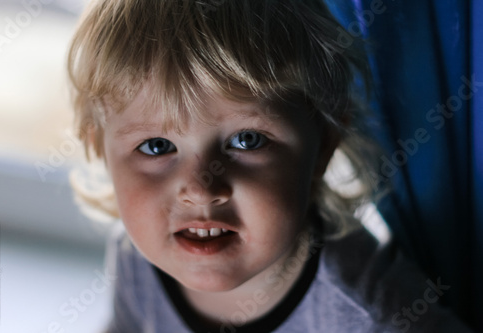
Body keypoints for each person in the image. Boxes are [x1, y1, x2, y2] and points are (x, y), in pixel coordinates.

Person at [67, 0, 474, 332]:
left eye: (247, 140)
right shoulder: (134, 257)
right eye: (156, 146)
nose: (201, 189)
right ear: (100, 149)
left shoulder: (371, 313)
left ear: (325, 145)